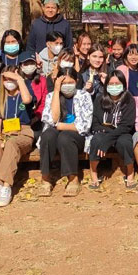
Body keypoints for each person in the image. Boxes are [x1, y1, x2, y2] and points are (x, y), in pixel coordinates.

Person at [38, 68, 93, 197]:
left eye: (70, 82)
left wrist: (60, 126)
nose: (67, 86)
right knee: (47, 136)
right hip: (58, 130)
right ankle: (45, 179)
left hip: (77, 135)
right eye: (63, 83)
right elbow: (52, 119)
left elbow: (84, 126)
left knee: (65, 137)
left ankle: (73, 179)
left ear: (77, 81)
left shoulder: (84, 96)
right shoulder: (51, 96)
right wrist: (56, 91)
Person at [0, 66, 36, 207]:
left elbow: (28, 100)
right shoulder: (1, 99)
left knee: (11, 144)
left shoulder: (25, 92)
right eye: (7, 79)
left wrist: (19, 79)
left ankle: (6, 186)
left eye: (12, 79)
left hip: (23, 132)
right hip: (6, 132)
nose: (9, 82)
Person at [88, 70, 137, 190]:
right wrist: (107, 135)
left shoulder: (129, 100)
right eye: (111, 84)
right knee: (96, 140)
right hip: (104, 132)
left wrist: (108, 138)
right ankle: (93, 172)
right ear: (106, 85)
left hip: (122, 133)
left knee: (125, 142)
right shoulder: (99, 99)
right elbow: (95, 124)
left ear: (123, 85)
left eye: (117, 83)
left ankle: (130, 172)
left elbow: (127, 126)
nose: (114, 87)